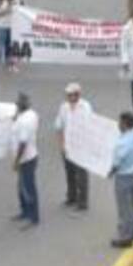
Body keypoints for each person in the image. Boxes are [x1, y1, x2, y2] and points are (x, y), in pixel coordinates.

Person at [108, 111, 133, 248]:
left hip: (124, 177)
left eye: (120, 122)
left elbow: (117, 162)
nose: (118, 124)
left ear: (124, 124)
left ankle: (125, 237)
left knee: (125, 208)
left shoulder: (122, 143)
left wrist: (110, 172)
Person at [53, 83, 91, 211]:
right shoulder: (64, 108)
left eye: (71, 95)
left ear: (78, 95)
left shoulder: (85, 107)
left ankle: (83, 201)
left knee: (81, 175)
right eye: (68, 95)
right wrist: (61, 144)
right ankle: (71, 197)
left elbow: (89, 125)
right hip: (68, 146)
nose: (69, 97)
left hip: (81, 146)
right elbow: (59, 126)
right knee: (69, 173)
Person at [9, 92, 40, 228]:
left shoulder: (24, 121)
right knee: (22, 187)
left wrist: (16, 161)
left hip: (26, 159)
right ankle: (25, 211)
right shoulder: (31, 115)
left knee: (28, 188)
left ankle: (33, 216)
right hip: (29, 157)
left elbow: (22, 143)